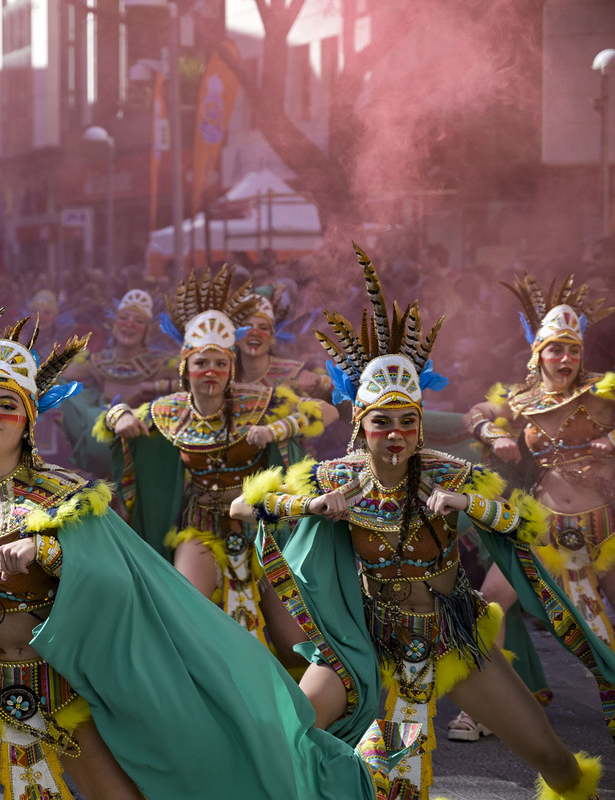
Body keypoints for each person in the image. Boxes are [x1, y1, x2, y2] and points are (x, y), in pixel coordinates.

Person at [0, 310, 423, 800]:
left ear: (30, 420)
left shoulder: (66, 496)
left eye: (7, 403)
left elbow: (112, 577)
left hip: (61, 685)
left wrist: (48, 551)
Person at [233, 246, 609, 800]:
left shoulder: (449, 473)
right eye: (382, 422)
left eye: (407, 422)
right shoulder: (334, 477)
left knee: (555, 760)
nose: (395, 434)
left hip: (452, 636)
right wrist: (307, 507)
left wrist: (471, 507)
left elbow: (527, 526)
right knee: (294, 731)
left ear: (419, 425)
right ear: (361, 425)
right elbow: (244, 508)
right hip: (365, 642)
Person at [96, 266, 333, 657]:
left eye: (220, 363)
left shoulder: (260, 401)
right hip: (200, 525)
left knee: (295, 640)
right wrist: (118, 414)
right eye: (202, 363)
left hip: (261, 526)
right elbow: (110, 421)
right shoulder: (168, 410)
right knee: (184, 618)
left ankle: (297, 707)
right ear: (185, 368)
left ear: (231, 368)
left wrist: (277, 430)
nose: (211, 372)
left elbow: (327, 413)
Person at [453, 272, 615, 741]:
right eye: (556, 349)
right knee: (489, 604)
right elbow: (474, 415)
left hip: (602, 531)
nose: (565, 358)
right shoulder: (520, 401)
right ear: (538, 354)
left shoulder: (603, 395)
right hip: (541, 531)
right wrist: (496, 434)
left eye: (573, 349)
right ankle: (488, 708)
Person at [57, 289, 176, 478]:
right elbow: (56, 376)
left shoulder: (162, 363)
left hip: (144, 453)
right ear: (114, 325)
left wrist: (159, 388)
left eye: (139, 321)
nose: (130, 324)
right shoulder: (96, 361)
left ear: (146, 331)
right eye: (124, 318)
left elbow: (193, 379)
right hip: (105, 451)